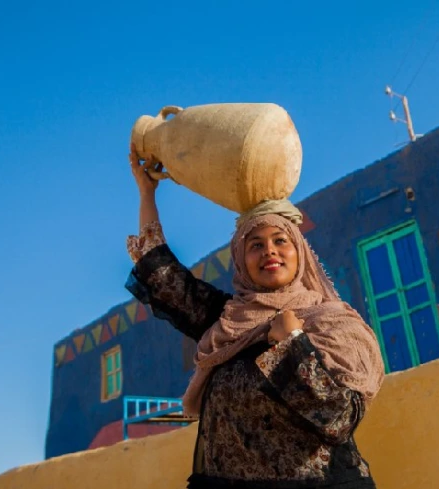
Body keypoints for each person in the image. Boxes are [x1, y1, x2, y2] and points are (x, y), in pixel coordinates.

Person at [125, 144, 385, 489]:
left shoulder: (332, 323)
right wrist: (147, 193)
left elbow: (338, 417)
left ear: (300, 253)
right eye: (255, 245)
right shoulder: (229, 321)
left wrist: (293, 344)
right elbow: (165, 277)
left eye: (281, 240)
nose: (270, 252)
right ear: (241, 260)